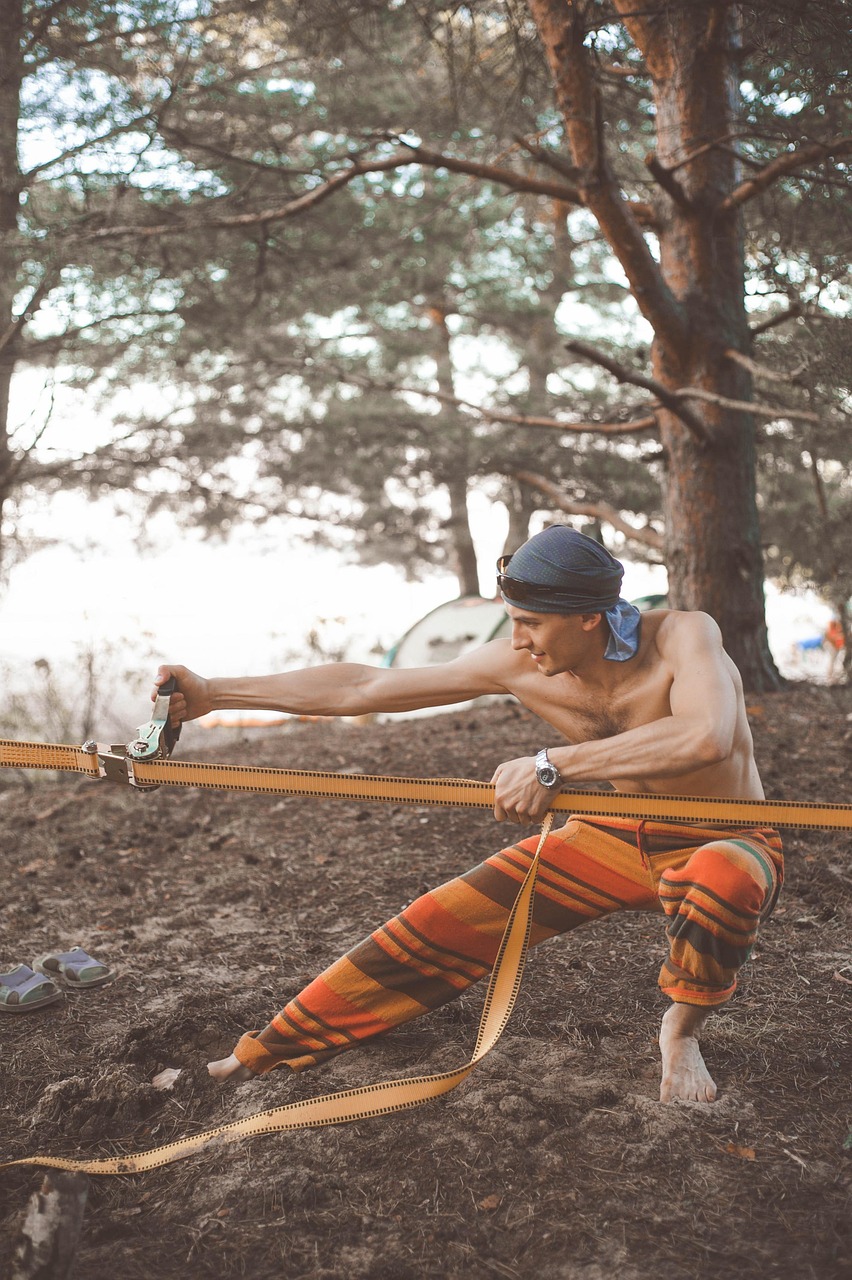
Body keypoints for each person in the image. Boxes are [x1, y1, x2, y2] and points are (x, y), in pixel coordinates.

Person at [153, 526, 783, 1104]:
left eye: (531, 623)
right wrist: (215, 694)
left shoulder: (683, 635)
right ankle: (268, 1050)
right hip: (614, 835)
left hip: (726, 836)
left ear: (591, 617)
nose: (516, 641)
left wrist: (556, 763)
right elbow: (363, 687)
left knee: (722, 879)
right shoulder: (518, 663)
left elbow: (707, 736)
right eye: (513, 621)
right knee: (442, 919)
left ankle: (681, 1031)